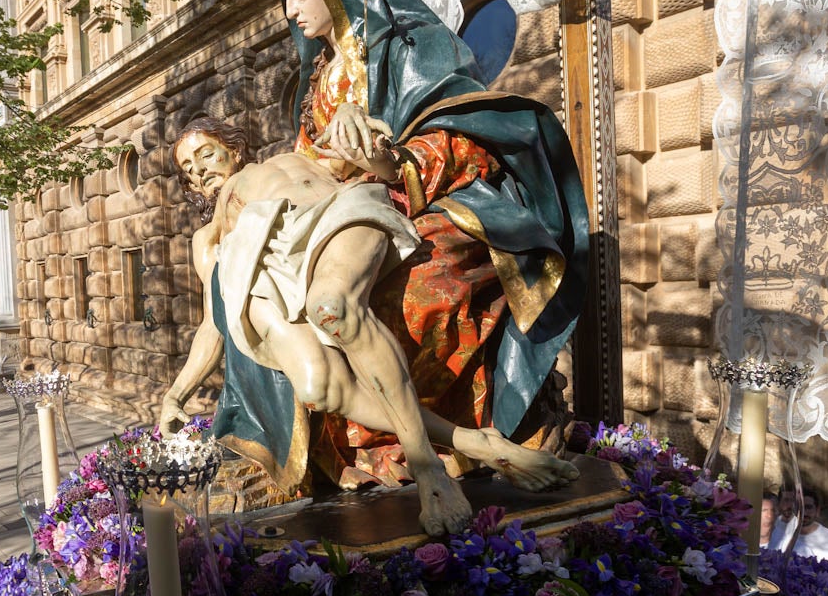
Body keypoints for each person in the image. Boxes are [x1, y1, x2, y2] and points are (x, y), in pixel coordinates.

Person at [211, 0, 588, 502]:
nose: (291, 13)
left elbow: (470, 134)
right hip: (333, 218)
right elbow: (314, 167)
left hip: (427, 200)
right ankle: (325, 450)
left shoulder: (411, 47)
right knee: (251, 288)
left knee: (400, 293)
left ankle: (440, 448)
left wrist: (391, 159)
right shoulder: (317, 83)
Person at [162, 116, 575, 534]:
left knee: (334, 306)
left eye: (205, 153)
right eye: (189, 169)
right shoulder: (209, 238)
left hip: (335, 215)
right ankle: (476, 442)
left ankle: (429, 470)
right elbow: (216, 320)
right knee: (316, 386)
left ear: (233, 150)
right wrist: (176, 394)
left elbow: (373, 162)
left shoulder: (298, 158)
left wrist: (361, 129)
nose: (199, 169)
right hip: (266, 257)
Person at [780, 488, 828, 563]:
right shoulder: (776, 534)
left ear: (817, 510)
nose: (804, 513)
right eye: (798, 508)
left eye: (808, 507)